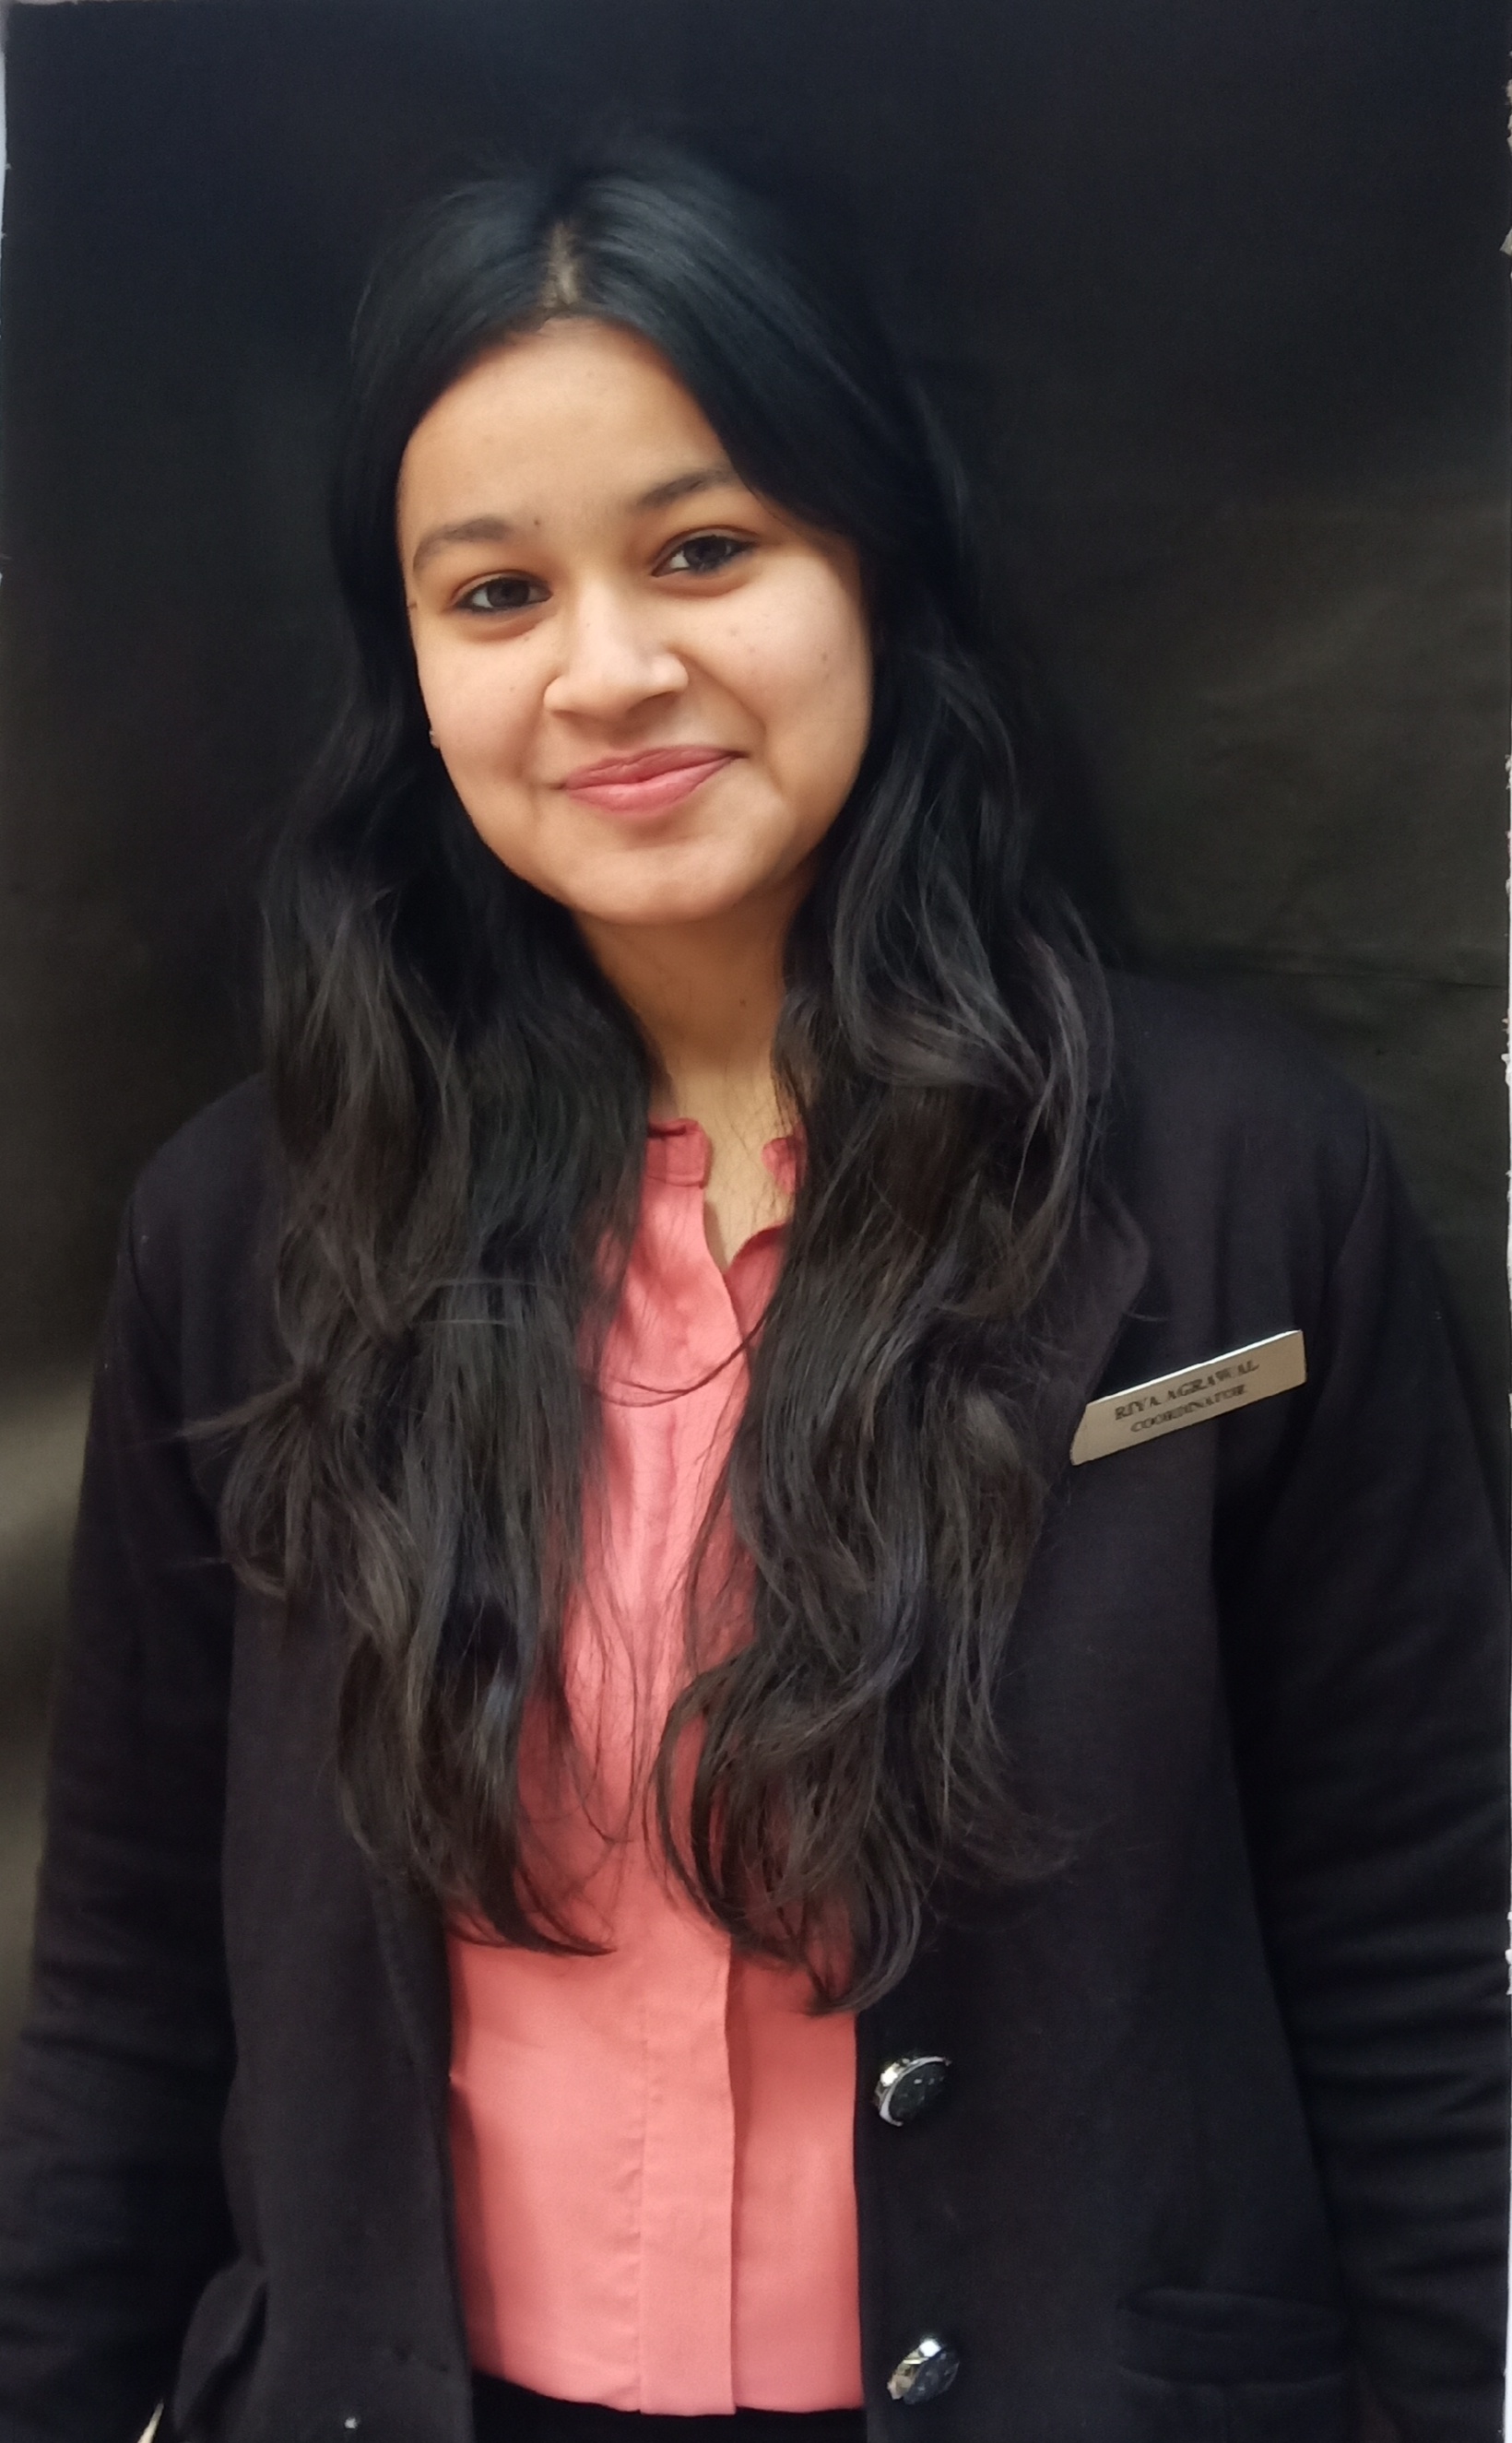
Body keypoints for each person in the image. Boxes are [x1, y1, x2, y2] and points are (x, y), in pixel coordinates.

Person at [0, 144, 1505, 2443]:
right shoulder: (246, 1233)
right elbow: (125, 1982)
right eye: (495, 591)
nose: (608, 671)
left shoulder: (1237, 1182)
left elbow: (1422, 1949)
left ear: (871, 561)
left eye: (702, 548)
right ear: (410, 665)